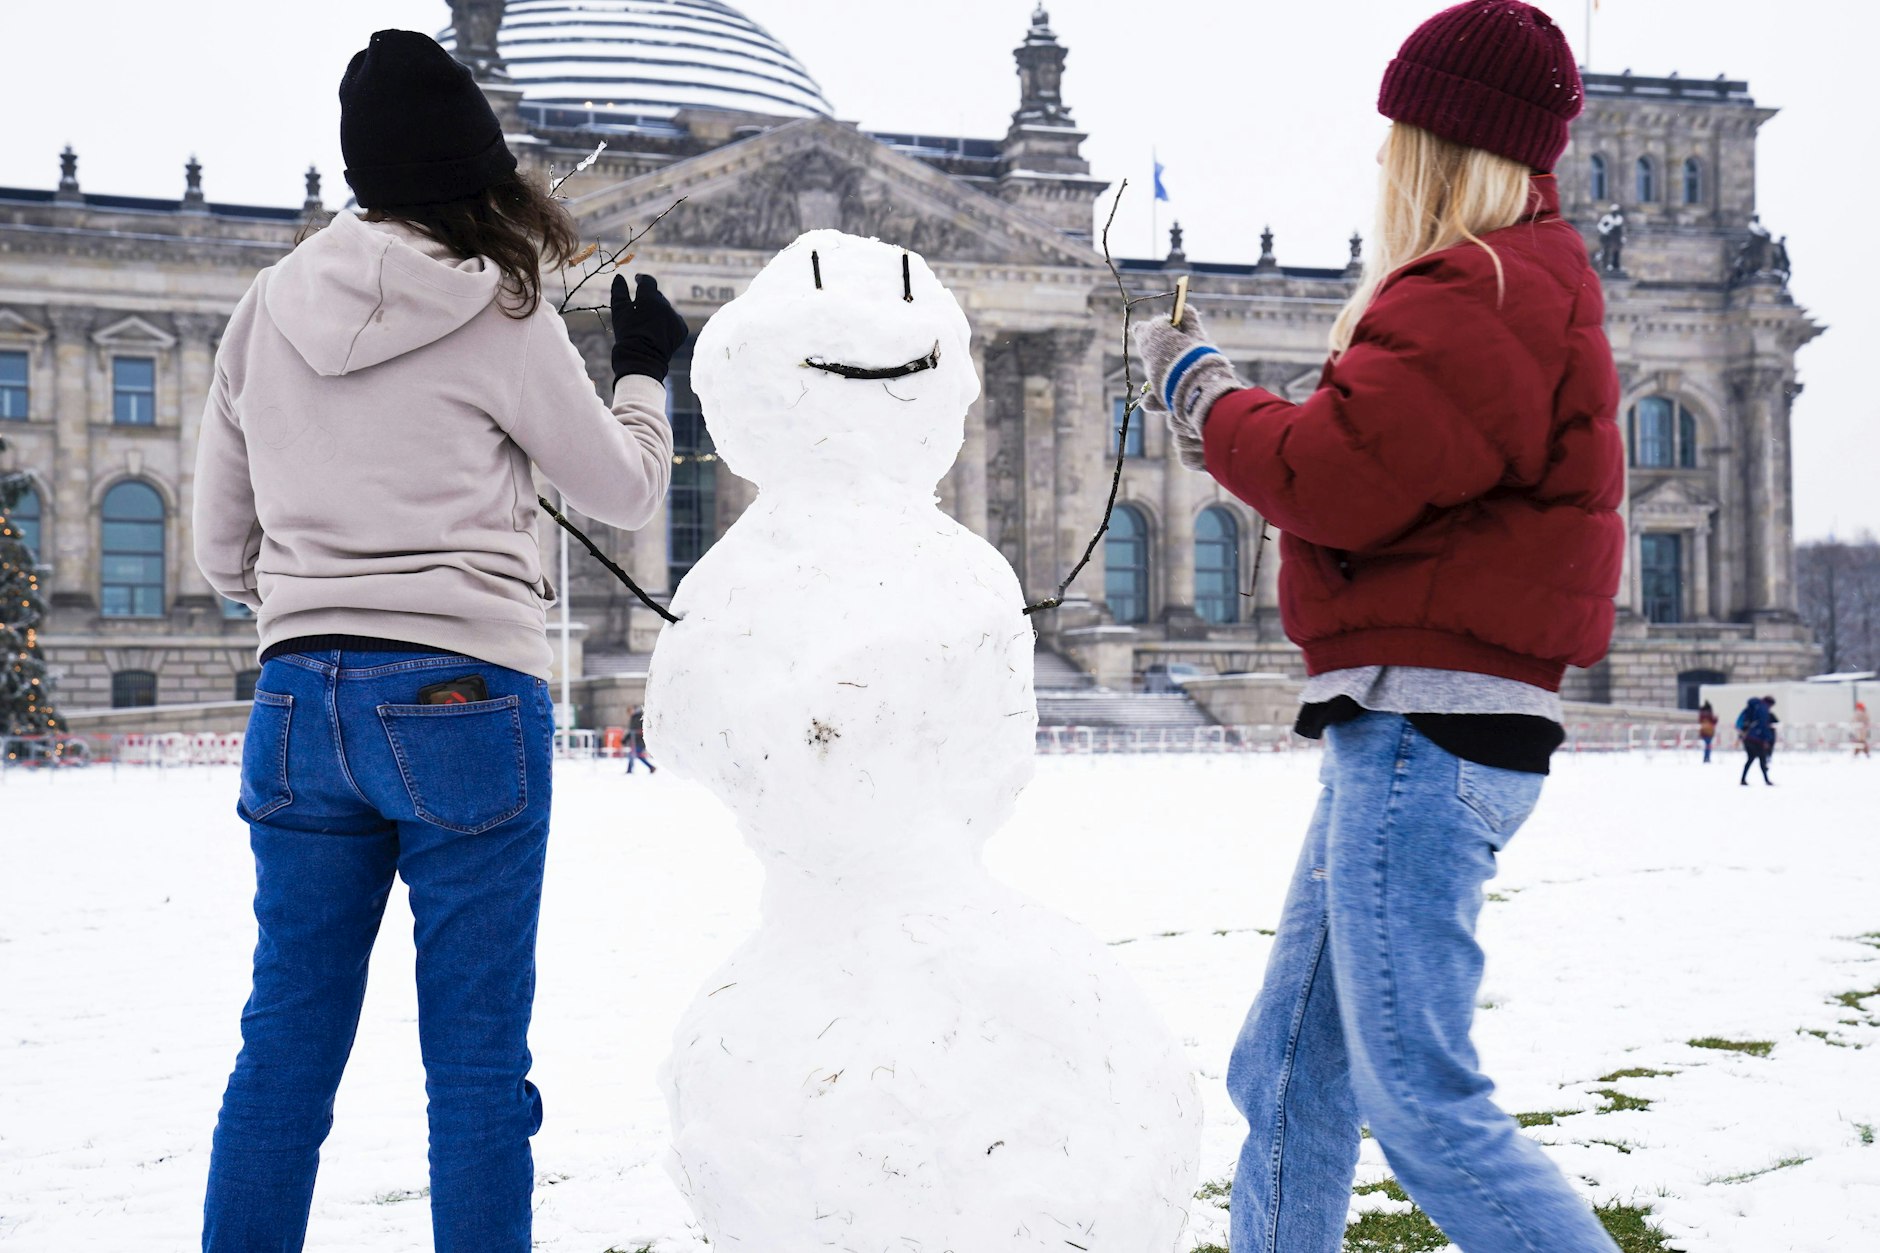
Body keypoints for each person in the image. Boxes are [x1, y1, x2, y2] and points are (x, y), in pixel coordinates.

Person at [1132, 5, 1626, 1251]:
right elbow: (1375, 452)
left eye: (1400, 135)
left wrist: (1198, 386)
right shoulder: (1504, 285)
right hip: (1405, 727)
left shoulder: (1486, 283)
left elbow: (1333, 473)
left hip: (1427, 731)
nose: (1383, 159)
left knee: (1419, 1096)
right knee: (1289, 1067)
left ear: (1443, 143)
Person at [191, 30, 687, 1253]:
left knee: (282, 1053)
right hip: (466, 696)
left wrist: (315, 609)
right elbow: (624, 491)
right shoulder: (502, 310)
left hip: (298, 701)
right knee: (472, 1068)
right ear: (476, 173)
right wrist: (640, 374)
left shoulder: (264, 304)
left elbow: (217, 545)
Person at [1737, 696, 1775, 786]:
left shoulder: (1754, 707)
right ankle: (1766, 780)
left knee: (1750, 759)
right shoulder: (1763, 709)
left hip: (1748, 737)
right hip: (1757, 739)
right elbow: (1763, 725)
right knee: (1762, 759)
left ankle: (1743, 779)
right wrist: (1767, 739)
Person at [625, 704, 658, 774]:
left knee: (634, 754)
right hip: (635, 741)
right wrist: (626, 739)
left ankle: (650, 767)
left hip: (640, 741)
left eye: (630, 711)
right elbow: (631, 730)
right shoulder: (633, 718)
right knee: (635, 754)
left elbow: (639, 729)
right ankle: (650, 767)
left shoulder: (639, 717)